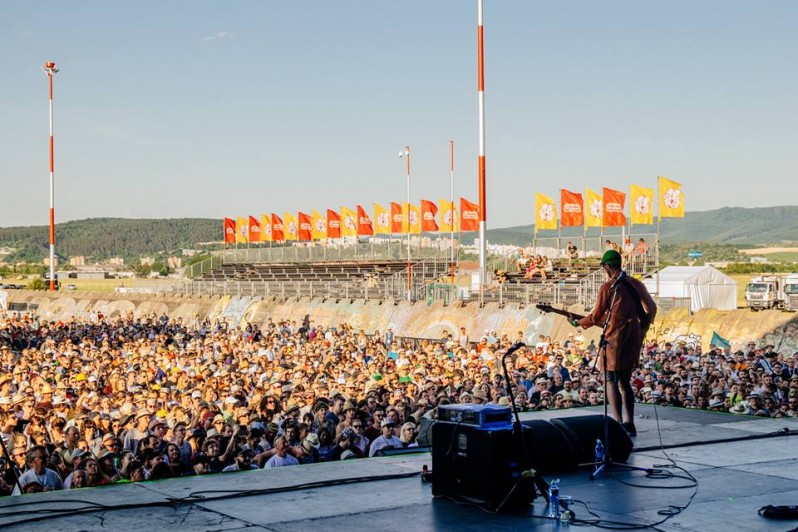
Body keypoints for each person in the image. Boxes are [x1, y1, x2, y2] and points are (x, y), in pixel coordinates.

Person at [573, 249, 657, 437]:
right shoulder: (635, 283)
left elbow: (595, 316)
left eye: (604, 267)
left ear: (608, 266)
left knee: (611, 380)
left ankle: (617, 423)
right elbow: (651, 307)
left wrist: (578, 322)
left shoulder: (608, 287)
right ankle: (630, 422)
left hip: (613, 338)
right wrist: (643, 329)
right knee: (625, 382)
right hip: (632, 337)